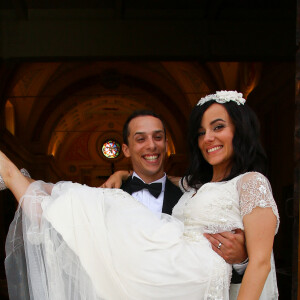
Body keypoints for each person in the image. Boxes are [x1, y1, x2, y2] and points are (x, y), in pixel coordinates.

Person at [2, 90, 279, 299]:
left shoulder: (251, 182)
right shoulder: (194, 186)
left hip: (190, 283)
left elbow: (260, 262)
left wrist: (241, 257)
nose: (208, 138)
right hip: (142, 278)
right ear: (126, 149)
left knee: (97, 202)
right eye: (202, 131)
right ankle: (20, 180)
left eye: (218, 127)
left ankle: (18, 178)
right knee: (95, 201)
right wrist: (122, 176)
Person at [103, 110, 248, 286]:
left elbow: (216, 264)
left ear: (166, 143)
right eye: (141, 139)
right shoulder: (107, 198)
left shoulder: (192, 200)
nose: (151, 145)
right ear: (126, 149)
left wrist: (241, 260)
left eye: (157, 137)